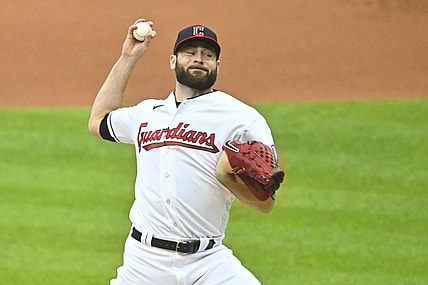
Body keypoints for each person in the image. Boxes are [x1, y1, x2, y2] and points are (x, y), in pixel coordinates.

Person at [88, 18, 281, 285]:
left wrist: (228, 178)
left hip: (208, 262)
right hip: (144, 263)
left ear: (217, 65)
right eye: (190, 53)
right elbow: (99, 120)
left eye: (207, 55)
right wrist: (128, 57)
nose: (198, 59)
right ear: (173, 61)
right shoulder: (146, 114)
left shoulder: (242, 118)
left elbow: (265, 203)